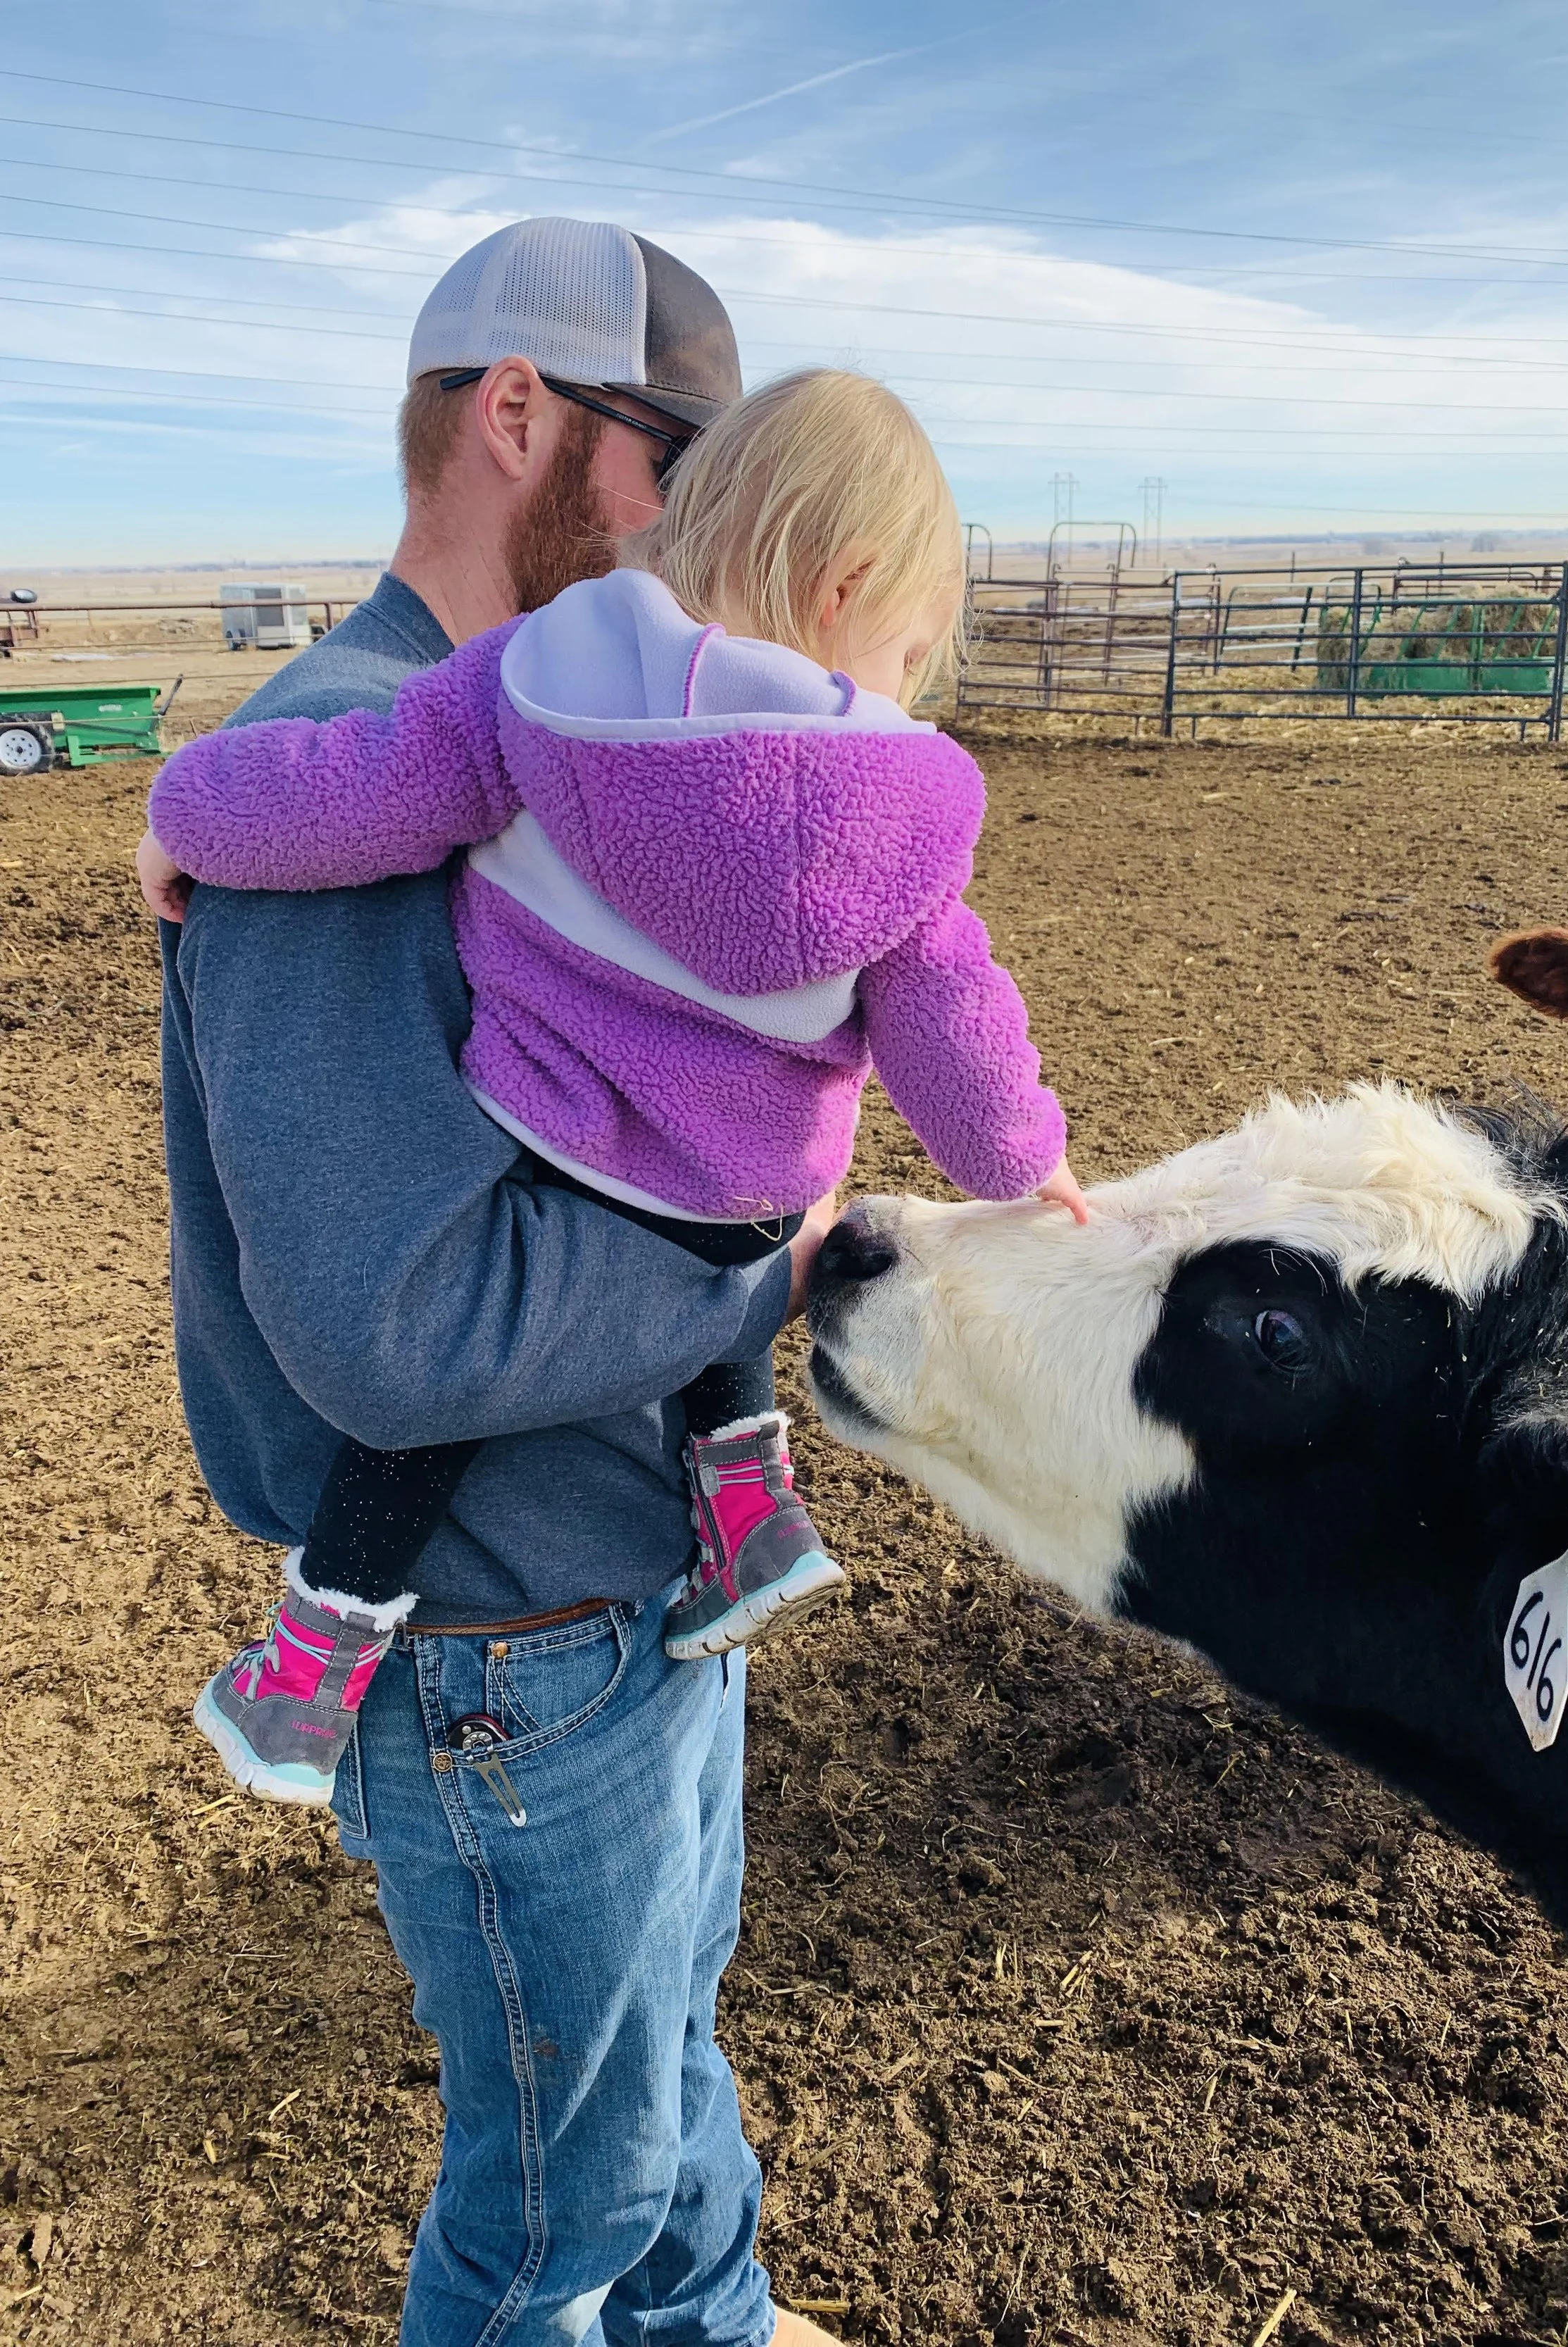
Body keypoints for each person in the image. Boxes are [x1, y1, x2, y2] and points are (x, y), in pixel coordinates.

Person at [144, 214, 846, 2347]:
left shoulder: (537, 740)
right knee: (556, 2205)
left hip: (627, 1595)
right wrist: (761, 1254)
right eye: (681, 461)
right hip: (502, 1652)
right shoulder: (338, 781)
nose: (705, 525)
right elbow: (394, 1318)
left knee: (669, 2071)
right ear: (518, 421)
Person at [143, 365, 1081, 1805]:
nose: (895, 687)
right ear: (848, 587)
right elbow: (954, 1030)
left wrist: (187, 816)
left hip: (547, 1138)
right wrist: (1025, 1162)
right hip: (744, 1205)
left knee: (470, 1378)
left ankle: (315, 1656)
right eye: (904, 649)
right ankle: (750, 1511)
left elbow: (359, 785)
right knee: (725, 1246)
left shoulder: (540, 675)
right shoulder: (912, 804)